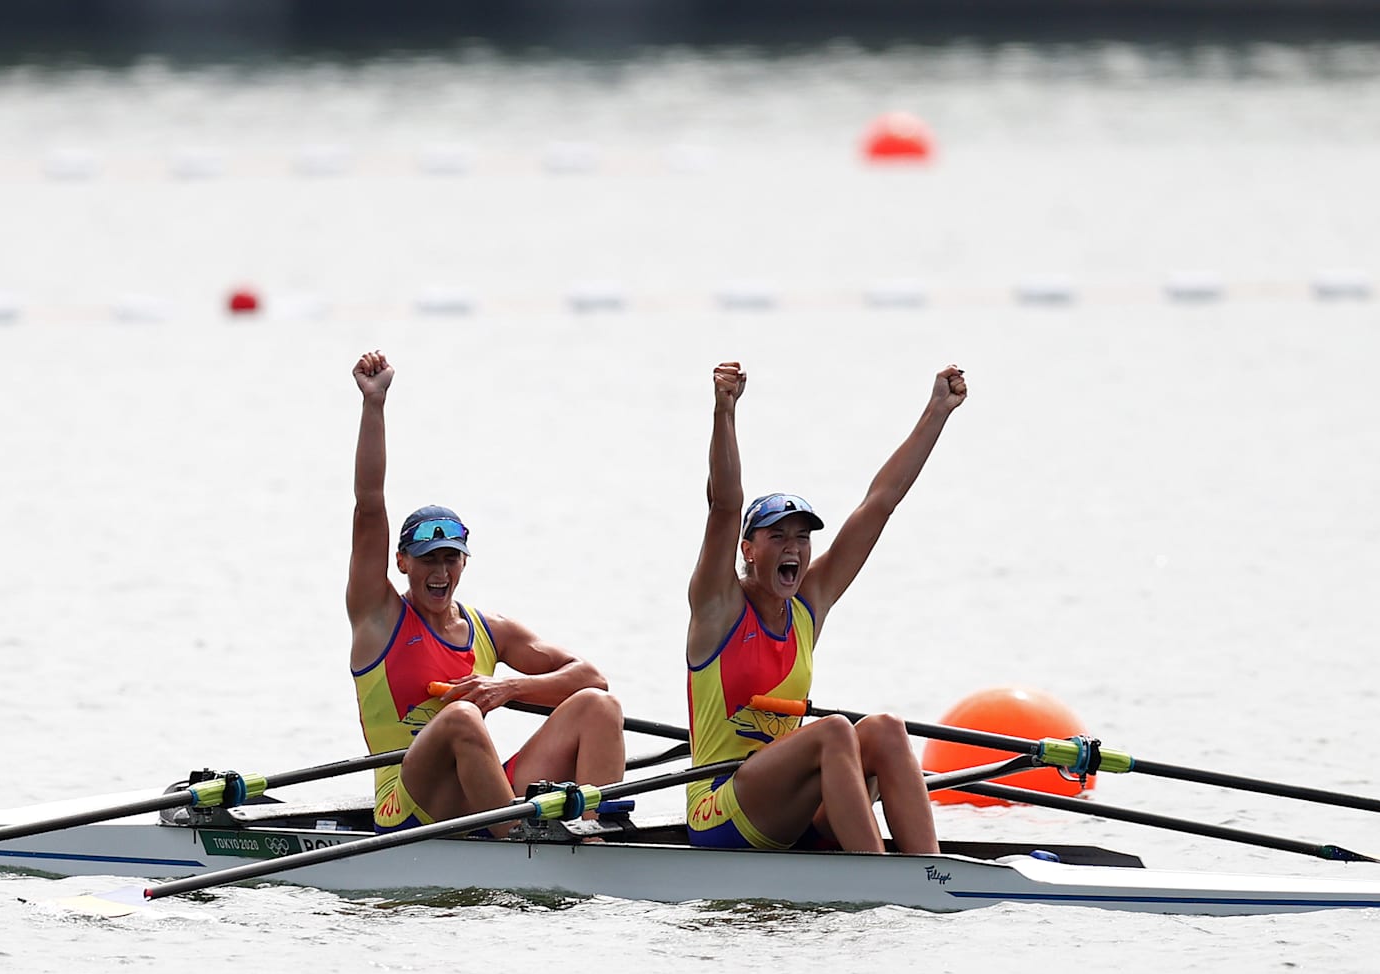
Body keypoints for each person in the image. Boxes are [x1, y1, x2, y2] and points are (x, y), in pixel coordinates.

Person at [683, 360, 968, 855]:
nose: (793, 547)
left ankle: (931, 871)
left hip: (786, 804)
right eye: (778, 536)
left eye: (802, 537)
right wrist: (723, 412)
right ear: (749, 549)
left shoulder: (807, 606)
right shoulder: (718, 606)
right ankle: (878, 875)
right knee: (835, 730)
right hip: (719, 810)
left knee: (884, 729)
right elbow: (724, 507)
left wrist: (937, 412)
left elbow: (879, 504)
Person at [346, 350, 626, 834]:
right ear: (402, 563)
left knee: (600, 707)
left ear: (464, 563)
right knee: (460, 717)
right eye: (427, 559)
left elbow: (592, 678)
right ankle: (518, 844)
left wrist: (509, 686)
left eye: (450, 558)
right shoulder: (378, 616)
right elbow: (369, 506)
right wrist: (375, 406)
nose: (439, 570)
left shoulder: (488, 630)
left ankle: (595, 831)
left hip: (480, 793)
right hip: (409, 803)